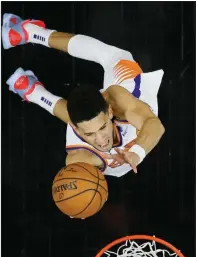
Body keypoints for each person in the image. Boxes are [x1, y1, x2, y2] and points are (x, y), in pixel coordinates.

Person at [2, 13, 165, 177]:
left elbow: (155, 125)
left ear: (109, 112)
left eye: (102, 128)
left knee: (116, 57)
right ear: (77, 131)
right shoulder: (77, 157)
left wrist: (136, 153)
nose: (101, 140)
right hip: (108, 155)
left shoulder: (117, 100)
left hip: (128, 90)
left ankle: (31, 34)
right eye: (90, 134)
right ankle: (30, 88)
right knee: (78, 118)